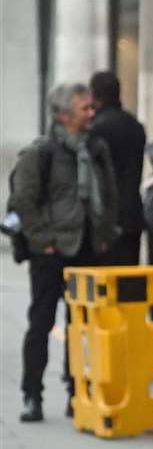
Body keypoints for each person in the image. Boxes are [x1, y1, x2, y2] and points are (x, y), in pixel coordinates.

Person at [10, 83, 117, 422]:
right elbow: (22, 201)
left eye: (91, 107)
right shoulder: (40, 153)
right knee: (41, 321)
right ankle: (32, 394)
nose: (92, 113)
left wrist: (103, 235)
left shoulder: (97, 148)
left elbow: (109, 194)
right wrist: (44, 241)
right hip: (52, 251)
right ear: (64, 115)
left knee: (81, 326)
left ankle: (77, 391)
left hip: (87, 248)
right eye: (84, 108)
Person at [88, 70, 146, 266]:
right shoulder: (136, 125)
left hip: (108, 218)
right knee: (127, 283)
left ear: (94, 96)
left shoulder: (97, 128)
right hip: (133, 215)